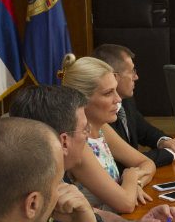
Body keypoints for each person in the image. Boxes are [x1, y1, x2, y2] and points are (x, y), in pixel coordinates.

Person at [10, 85, 175, 222]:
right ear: (64, 142)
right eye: (85, 129)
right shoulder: (24, 207)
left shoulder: (50, 174)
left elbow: (83, 212)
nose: (88, 137)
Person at [60, 54, 156, 213]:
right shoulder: (78, 144)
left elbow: (147, 163)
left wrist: (134, 185)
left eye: (116, 90)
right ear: (81, 100)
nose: (118, 99)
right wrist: (130, 177)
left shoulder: (101, 128)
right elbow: (126, 204)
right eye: (108, 93)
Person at [92, 44, 175, 167]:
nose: (136, 77)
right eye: (132, 71)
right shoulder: (99, 116)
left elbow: (144, 130)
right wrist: (171, 152)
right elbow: (125, 163)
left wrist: (165, 141)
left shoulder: (126, 100)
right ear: (114, 76)